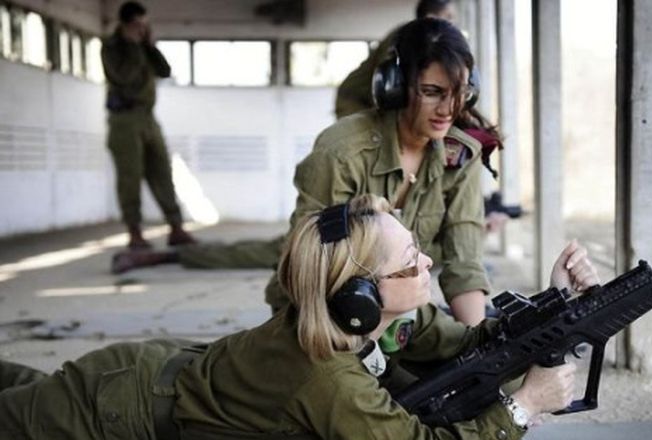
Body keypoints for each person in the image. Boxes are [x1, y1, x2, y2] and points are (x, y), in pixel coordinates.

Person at [0, 195, 600, 440]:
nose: (428, 263)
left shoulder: (372, 320)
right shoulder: (327, 375)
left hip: (153, 372)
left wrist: (553, 304)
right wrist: (524, 407)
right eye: (409, 263)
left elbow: (463, 350)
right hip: (117, 409)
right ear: (359, 297)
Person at [112, 18, 495, 327]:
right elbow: (310, 270)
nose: (448, 108)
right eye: (431, 91)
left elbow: (464, 263)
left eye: (458, 92)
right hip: (322, 313)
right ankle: (174, 257)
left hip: (394, 313)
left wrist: (478, 344)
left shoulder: (460, 155)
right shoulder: (342, 151)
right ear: (395, 86)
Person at [102, 1, 195, 250]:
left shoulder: (143, 45)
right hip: (124, 120)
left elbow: (164, 71)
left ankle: (175, 227)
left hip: (148, 117)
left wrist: (149, 45)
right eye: (138, 25)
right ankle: (134, 232)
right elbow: (124, 77)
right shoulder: (112, 47)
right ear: (125, 24)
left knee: (162, 170)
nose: (142, 29)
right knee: (130, 177)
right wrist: (132, 45)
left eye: (145, 25)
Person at [335, 0, 457, 119]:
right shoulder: (406, 36)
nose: (453, 23)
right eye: (449, 16)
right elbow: (386, 79)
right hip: (356, 100)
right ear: (431, 17)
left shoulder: (428, 41)